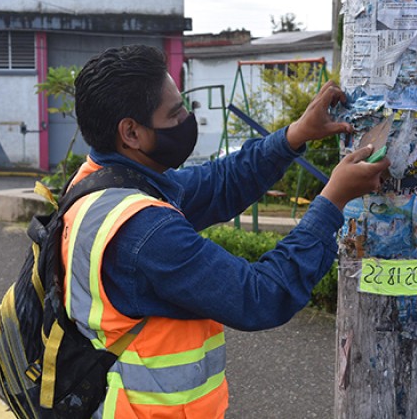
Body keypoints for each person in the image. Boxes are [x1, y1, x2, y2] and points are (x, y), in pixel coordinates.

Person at [66, 44, 390, 418]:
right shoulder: (145, 232)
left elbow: (219, 183)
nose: (188, 119)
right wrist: (333, 201)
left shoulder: (100, 186)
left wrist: (293, 136)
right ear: (131, 133)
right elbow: (260, 296)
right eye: (175, 114)